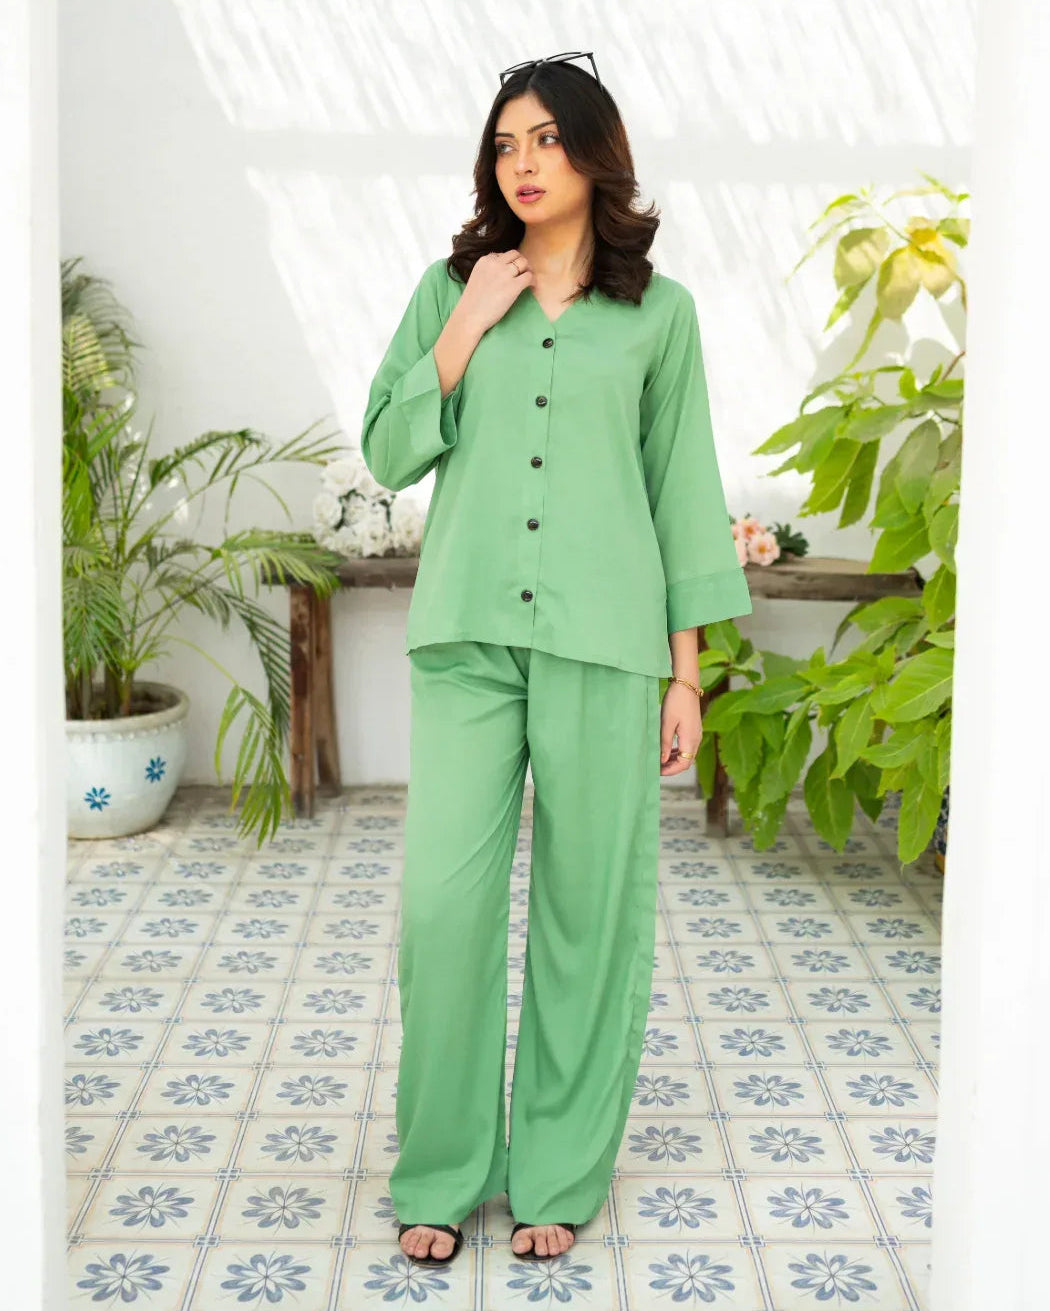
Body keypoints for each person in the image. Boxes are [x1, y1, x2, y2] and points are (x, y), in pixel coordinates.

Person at [359, 51, 752, 1269]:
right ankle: (440, 1169)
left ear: (594, 152)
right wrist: (467, 324)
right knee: (445, 911)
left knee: (591, 911)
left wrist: (686, 675)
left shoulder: (661, 313)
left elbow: (680, 490)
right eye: (505, 144)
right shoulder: (450, 287)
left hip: (605, 640)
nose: (521, 163)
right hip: (471, 632)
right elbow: (386, 446)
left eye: (545, 140)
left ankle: (559, 1175)